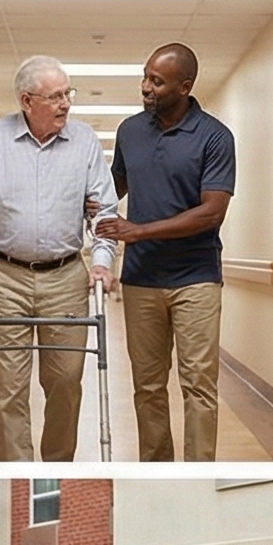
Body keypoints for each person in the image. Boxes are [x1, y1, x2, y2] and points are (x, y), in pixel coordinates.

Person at [0, 55, 120, 462]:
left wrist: (102, 260)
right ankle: (18, 472)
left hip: (65, 277)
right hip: (3, 276)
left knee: (66, 380)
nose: (65, 104)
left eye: (68, 94)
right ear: (27, 100)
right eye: (55, 96)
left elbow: (103, 213)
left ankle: (58, 464)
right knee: (7, 386)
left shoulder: (84, 143)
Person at [98, 43, 237, 462]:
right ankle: (156, 470)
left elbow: (212, 212)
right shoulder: (130, 131)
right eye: (145, 77)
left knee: (198, 386)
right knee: (148, 387)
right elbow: (111, 190)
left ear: (184, 86)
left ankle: (197, 472)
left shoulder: (215, 136)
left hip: (195, 278)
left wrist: (138, 230)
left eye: (156, 82)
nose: (146, 87)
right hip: (140, 281)